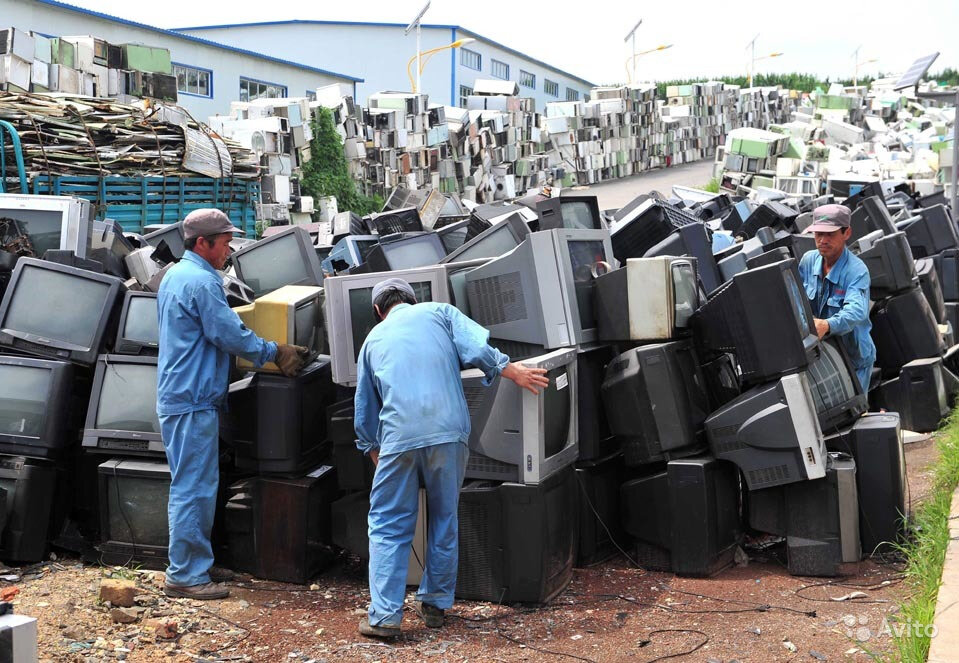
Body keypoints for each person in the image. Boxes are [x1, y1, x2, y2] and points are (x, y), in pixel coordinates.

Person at [353, 278, 549, 638]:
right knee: (444, 518)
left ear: (379, 311)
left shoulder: (372, 340)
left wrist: (373, 449)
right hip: (448, 434)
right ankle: (436, 605)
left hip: (398, 436)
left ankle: (384, 618)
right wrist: (514, 371)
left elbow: (365, 408)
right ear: (413, 300)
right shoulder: (439, 312)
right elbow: (477, 348)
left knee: (387, 524)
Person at [157, 208, 308, 600]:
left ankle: (195, 565)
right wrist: (275, 351)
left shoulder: (176, 275)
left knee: (196, 485)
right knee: (193, 489)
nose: (230, 249)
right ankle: (186, 576)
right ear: (202, 243)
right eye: (225, 243)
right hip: (192, 400)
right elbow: (231, 336)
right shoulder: (201, 284)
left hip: (185, 396)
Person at [799, 203, 877, 392]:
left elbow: (856, 311)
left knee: (853, 414)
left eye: (830, 234)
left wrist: (827, 325)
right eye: (818, 234)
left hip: (854, 358)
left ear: (847, 233)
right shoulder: (808, 261)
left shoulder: (857, 271)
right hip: (824, 356)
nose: (822, 240)